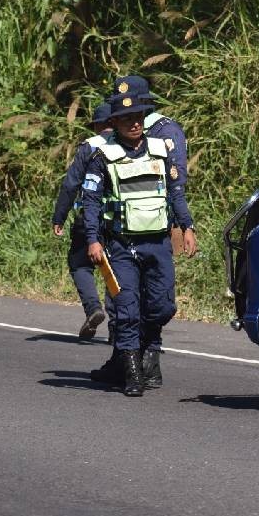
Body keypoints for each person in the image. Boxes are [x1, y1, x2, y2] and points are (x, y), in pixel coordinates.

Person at [82, 92, 197, 396]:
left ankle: (145, 347)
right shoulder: (101, 156)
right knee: (127, 308)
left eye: (137, 118)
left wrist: (187, 226)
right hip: (121, 245)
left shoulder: (161, 150)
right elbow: (90, 201)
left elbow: (175, 192)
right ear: (115, 122)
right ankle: (132, 372)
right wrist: (93, 240)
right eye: (125, 119)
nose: (133, 124)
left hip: (158, 243)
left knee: (163, 306)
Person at [52, 102, 113, 338]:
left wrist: (60, 216)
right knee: (116, 271)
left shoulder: (90, 146)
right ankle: (118, 329)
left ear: (98, 125)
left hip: (89, 217)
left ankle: (93, 308)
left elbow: (70, 185)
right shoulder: (129, 145)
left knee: (80, 264)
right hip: (121, 221)